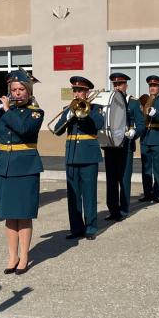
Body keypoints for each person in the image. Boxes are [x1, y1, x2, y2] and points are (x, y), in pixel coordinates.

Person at [0, 70, 44, 275]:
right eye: (14, 90)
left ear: (28, 92)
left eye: (21, 90)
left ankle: (24, 256)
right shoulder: (3, 112)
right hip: (5, 167)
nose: (17, 93)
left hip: (25, 167)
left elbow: (24, 130)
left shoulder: (35, 113)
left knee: (24, 215)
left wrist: (7, 110)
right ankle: (12, 256)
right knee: (9, 215)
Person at [53, 76, 104, 240]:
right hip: (72, 156)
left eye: (80, 91)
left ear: (87, 92)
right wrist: (68, 116)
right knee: (73, 194)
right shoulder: (67, 109)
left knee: (89, 194)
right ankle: (76, 228)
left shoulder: (95, 108)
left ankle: (90, 228)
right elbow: (57, 130)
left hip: (88, 156)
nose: (76, 94)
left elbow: (99, 124)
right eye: (74, 90)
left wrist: (85, 114)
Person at [104, 72, 144, 221]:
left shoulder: (133, 102)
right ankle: (113, 210)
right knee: (111, 179)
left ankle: (124, 209)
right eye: (114, 84)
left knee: (124, 179)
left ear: (126, 86)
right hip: (110, 146)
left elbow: (141, 124)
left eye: (120, 84)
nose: (117, 87)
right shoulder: (108, 101)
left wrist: (135, 132)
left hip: (126, 146)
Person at [138, 75, 159, 203]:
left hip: (157, 138)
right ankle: (147, 193)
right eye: (151, 86)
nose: (152, 88)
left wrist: (156, 114)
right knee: (146, 168)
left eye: (155, 86)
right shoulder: (143, 101)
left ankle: (157, 193)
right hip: (145, 138)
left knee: (157, 168)